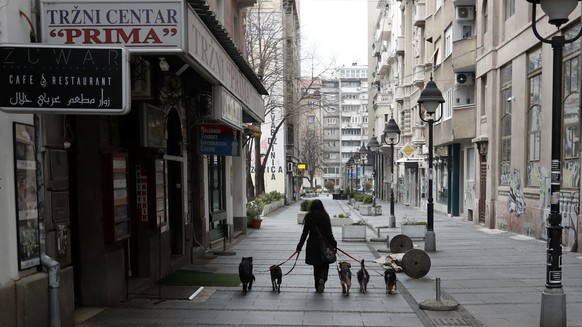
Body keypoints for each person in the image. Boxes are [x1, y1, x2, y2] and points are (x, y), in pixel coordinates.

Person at [295, 199, 337, 293]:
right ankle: (322, 278)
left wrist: (299, 246)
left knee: (316, 265)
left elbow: (304, 233)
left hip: (312, 244)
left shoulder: (309, 216)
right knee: (325, 263)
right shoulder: (325, 216)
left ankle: (317, 284)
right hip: (325, 244)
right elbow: (329, 233)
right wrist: (334, 244)